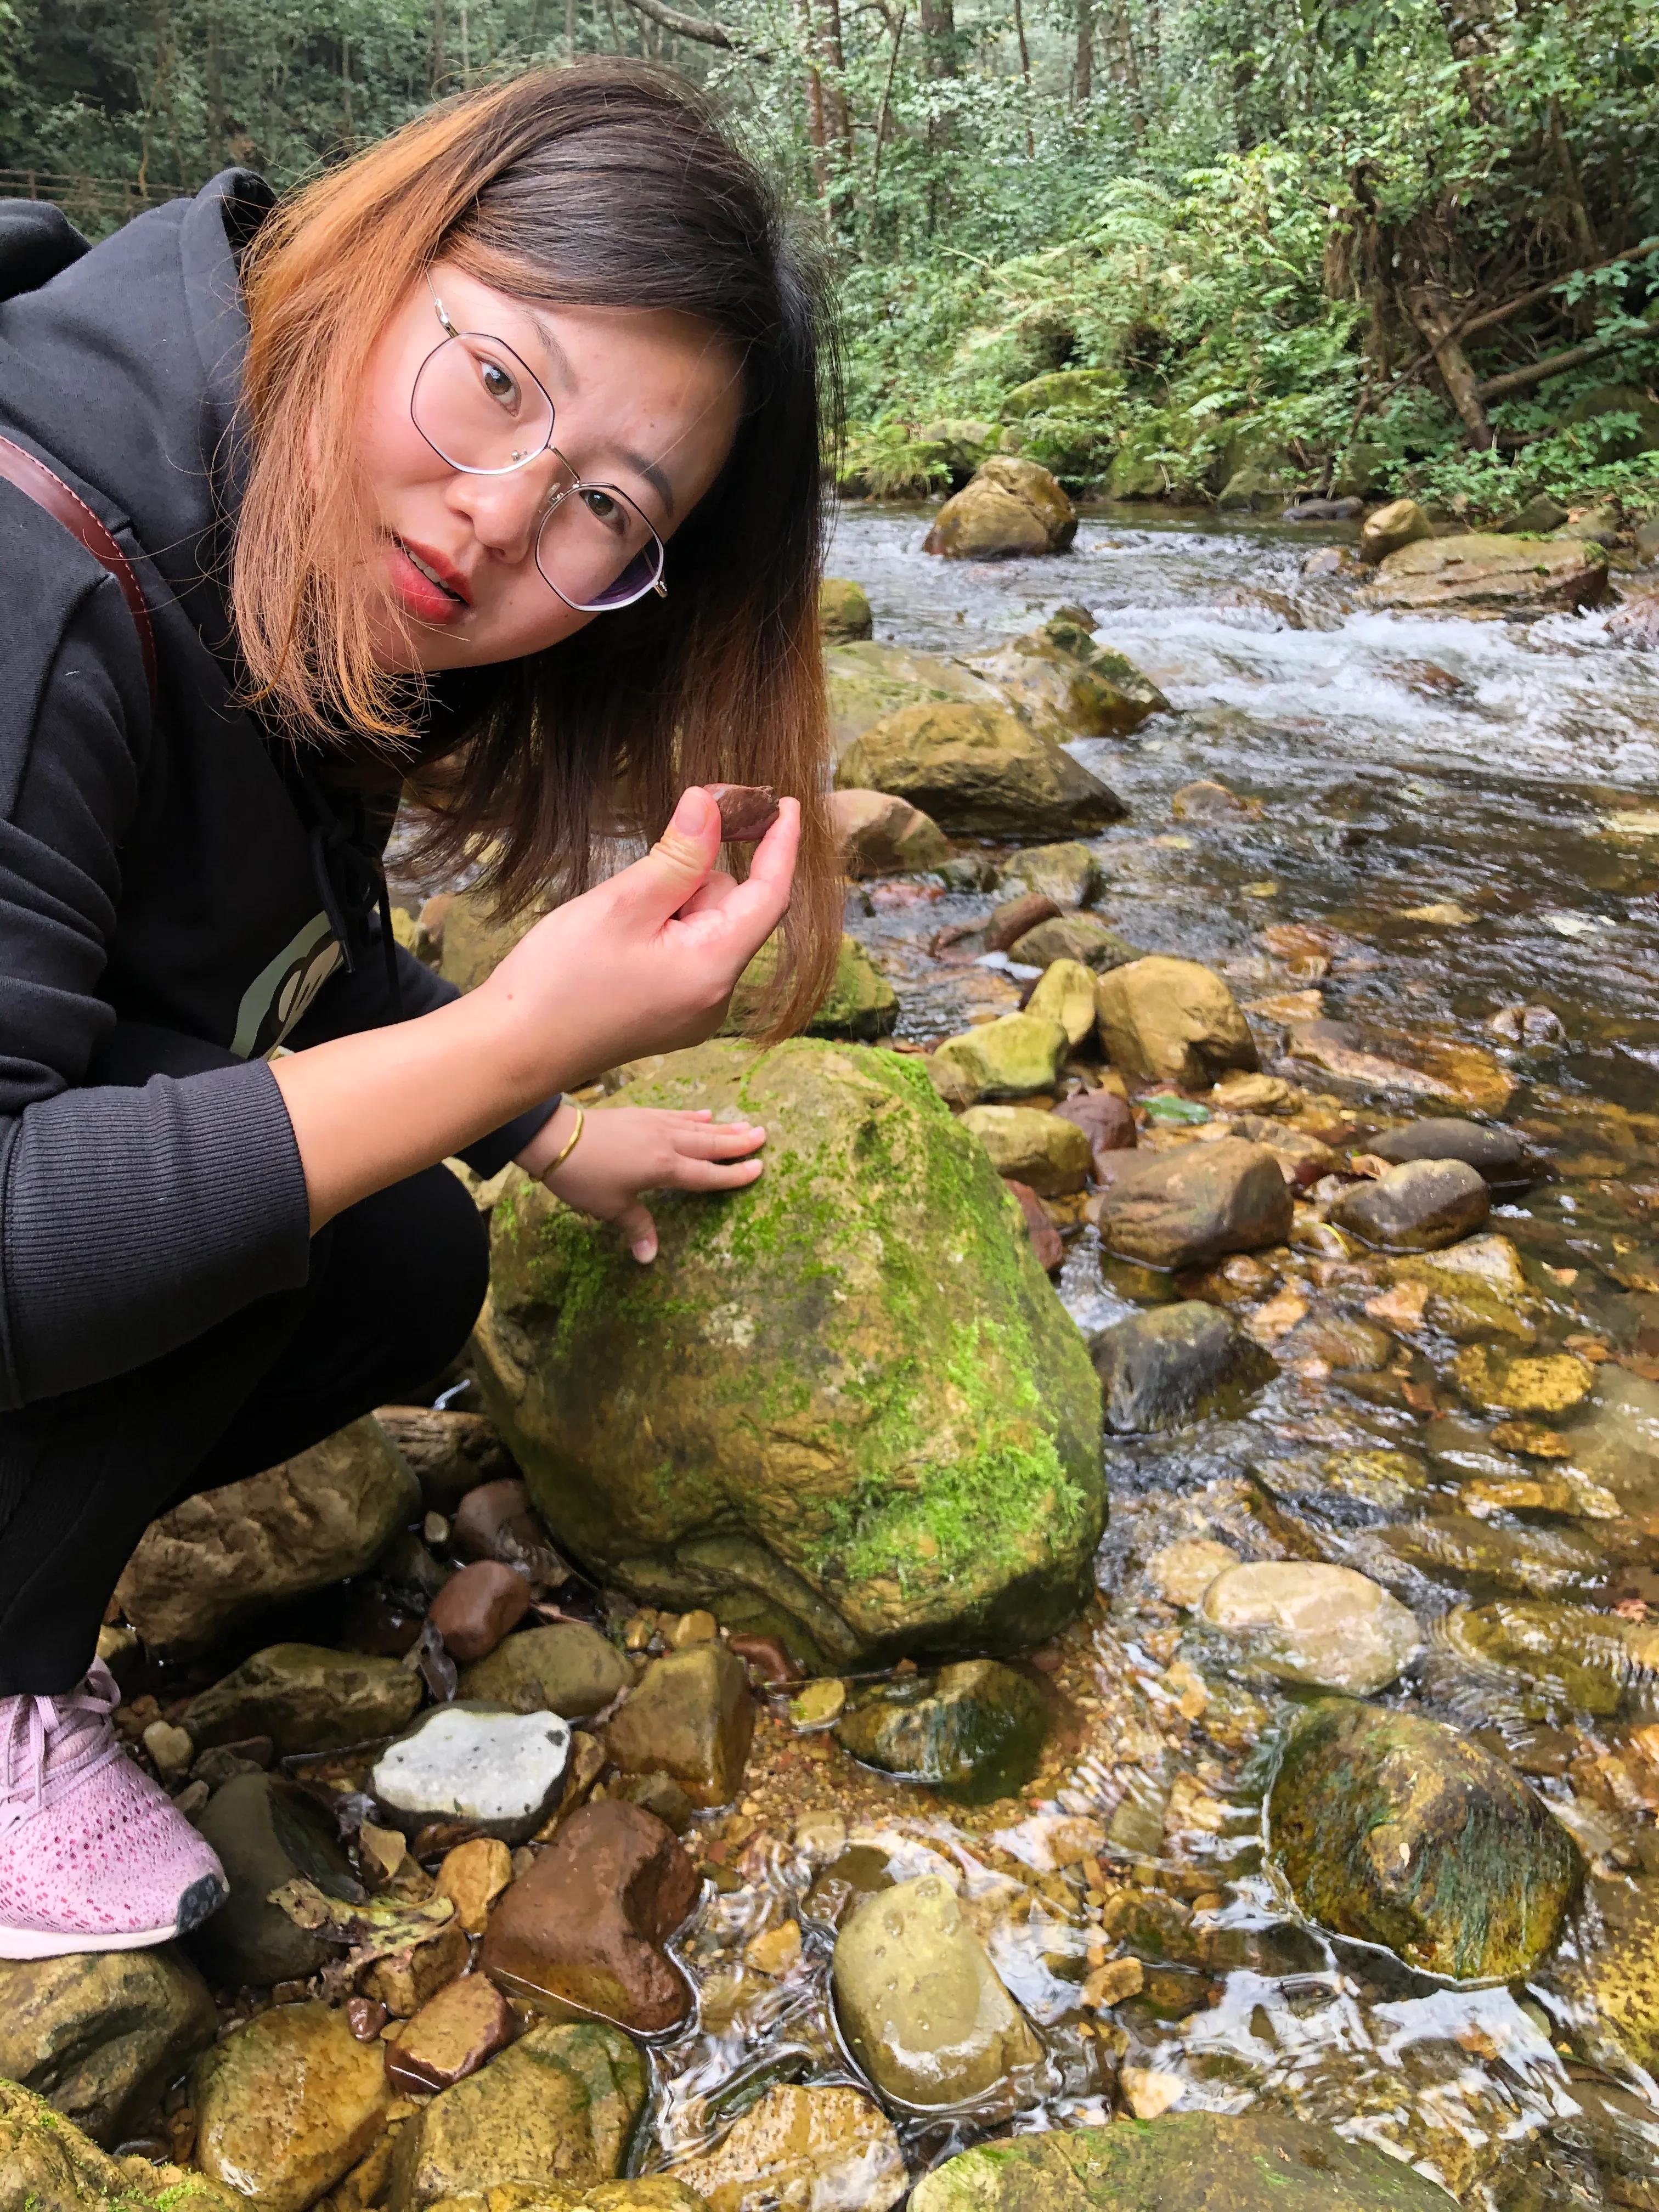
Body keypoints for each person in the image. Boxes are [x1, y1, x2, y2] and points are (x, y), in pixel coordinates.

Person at [0, 60, 839, 1957]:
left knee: (390, 1254)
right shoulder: (39, 548)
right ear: (388, 256)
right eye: (495, 378)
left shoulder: (264, 528)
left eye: (600, 507)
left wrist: (549, 1127)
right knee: (270, 1186)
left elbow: (290, 956)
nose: (489, 517)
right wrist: (518, 1036)